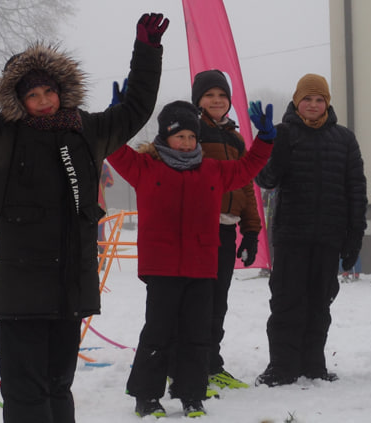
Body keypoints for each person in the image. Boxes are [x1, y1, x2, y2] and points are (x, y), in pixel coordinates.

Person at [0, 8, 167, 423]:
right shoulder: (1, 137)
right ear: (18, 100)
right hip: (23, 292)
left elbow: (136, 108)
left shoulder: (87, 131)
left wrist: (148, 51)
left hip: (69, 287)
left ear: (61, 91)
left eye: (48, 92)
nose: (43, 101)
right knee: (25, 389)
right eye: (32, 95)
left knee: (57, 384)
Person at [108, 99, 275, 418]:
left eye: (191, 137)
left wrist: (265, 139)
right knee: (158, 331)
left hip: (201, 266)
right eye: (178, 136)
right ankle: (147, 396)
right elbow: (114, 149)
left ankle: (191, 394)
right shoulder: (145, 168)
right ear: (165, 137)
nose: (185, 143)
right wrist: (117, 117)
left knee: (197, 333)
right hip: (162, 267)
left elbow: (246, 168)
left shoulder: (212, 170)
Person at [254, 73, 368, 387]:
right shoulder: (283, 134)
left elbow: (356, 189)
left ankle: (313, 363)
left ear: (327, 103)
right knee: (286, 303)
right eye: (308, 99)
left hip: (329, 236)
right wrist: (270, 144)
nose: (314, 105)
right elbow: (266, 179)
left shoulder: (344, 139)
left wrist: (354, 235)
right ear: (296, 102)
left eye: (320, 100)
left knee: (320, 302)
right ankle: (282, 366)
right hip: (292, 235)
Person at [189, 69, 261, 392]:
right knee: (196, 302)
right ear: (198, 100)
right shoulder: (192, 131)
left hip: (228, 229)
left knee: (219, 300)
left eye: (222, 95)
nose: (216, 101)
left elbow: (245, 185)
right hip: (198, 229)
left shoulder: (235, 137)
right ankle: (187, 367)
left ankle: (211, 364)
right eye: (209, 95)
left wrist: (251, 231)